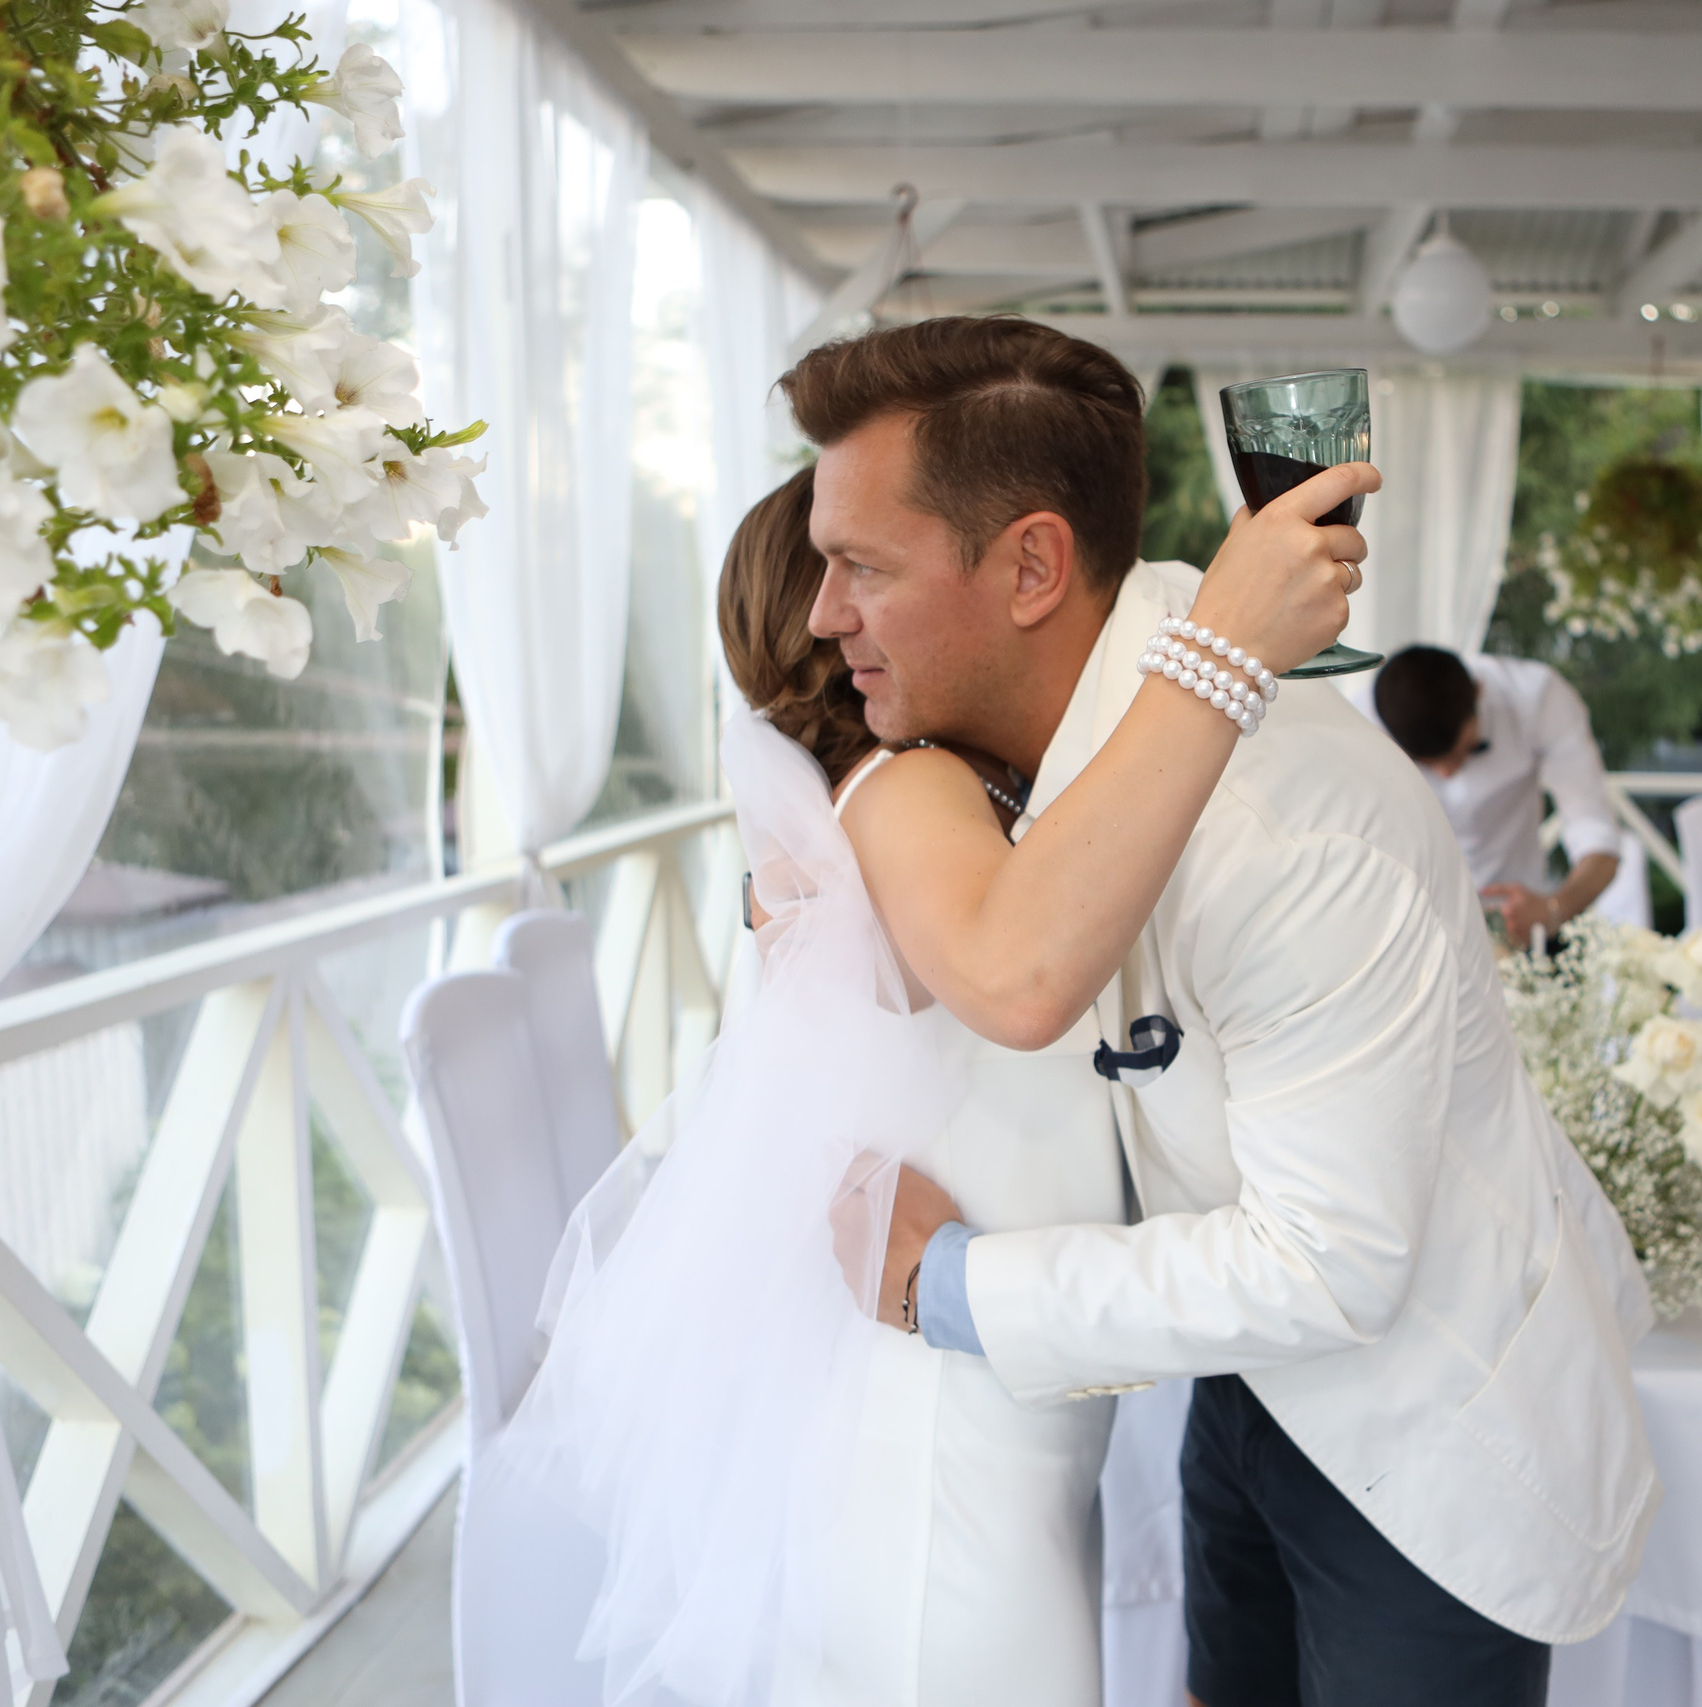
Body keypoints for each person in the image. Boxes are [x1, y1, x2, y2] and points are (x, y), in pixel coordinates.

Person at [480, 349, 1364, 1707]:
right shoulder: (910, 789)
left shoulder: (900, 804)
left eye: (870, 567)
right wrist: (1220, 650)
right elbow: (1019, 977)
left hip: (985, 1393)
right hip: (951, 1424)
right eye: (841, 573)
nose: (849, 605)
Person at [808, 320, 1659, 1707]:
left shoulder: (1289, 826)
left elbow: (1329, 1265)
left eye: (861, 566)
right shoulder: (1044, 763)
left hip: (1422, 1449)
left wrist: (942, 1285)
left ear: (1029, 563)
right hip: (1248, 1396)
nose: (821, 614)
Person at [1355, 645, 1621, 952]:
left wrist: (1554, 909)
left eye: (1465, 750)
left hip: (1524, 930)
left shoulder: (1537, 697)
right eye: (1425, 764)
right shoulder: (1356, 721)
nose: (1447, 774)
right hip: (1408, 937)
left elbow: (1595, 833)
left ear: (1479, 693)